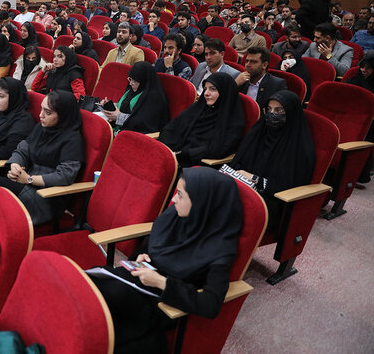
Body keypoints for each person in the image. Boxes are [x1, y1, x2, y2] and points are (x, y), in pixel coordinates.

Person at [89, 167, 243, 353]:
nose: (174, 200)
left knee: (105, 307)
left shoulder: (220, 248)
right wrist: (141, 257)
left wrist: (163, 283)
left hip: (163, 301)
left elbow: (210, 304)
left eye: (180, 195)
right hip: (139, 279)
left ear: (202, 203)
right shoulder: (175, 216)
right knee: (91, 284)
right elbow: (151, 244)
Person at [0, 90, 84, 225]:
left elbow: (65, 176)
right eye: (41, 109)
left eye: (48, 112)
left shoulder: (73, 139)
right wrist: (15, 165)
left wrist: (29, 179)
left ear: (63, 115)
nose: (41, 115)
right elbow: (23, 149)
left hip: (48, 195)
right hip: (28, 179)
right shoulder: (42, 127)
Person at [230, 90, 315, 231]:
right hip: (243, 189)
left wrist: (255, 179)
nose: (272, 114)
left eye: (279, 110)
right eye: (268, 110)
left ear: (291, 113)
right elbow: (239, 161)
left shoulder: (300, 148)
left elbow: (289, 187)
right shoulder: (259, 131)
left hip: (270, 202)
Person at [160, 72, 245, 167]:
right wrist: (167, 150)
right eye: (205, 89)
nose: (206, 93)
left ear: (224, 92)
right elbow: (171, 128)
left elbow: (217, 150)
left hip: (199, 166)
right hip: (173, 156)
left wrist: (181, 154)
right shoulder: (198, 107)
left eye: (213, 89)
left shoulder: (233, 121)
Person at [101, 61, 169, 135]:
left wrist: (118, 116)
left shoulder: (154, 97)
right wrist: (109, 105)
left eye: (135, 81)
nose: (131, 83)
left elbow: (143, 123)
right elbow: (124, 105)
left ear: (143, 81)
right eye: (130, 79)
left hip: (134, 135)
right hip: (119, 129)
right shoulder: (132, 89)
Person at [344, 51, 374, 183]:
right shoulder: (355, 78)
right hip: (350, 115)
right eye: (362, 66)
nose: (363, 70)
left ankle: (360, 172)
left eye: (368, 67)